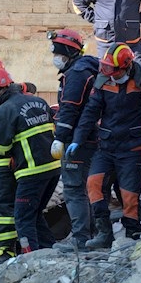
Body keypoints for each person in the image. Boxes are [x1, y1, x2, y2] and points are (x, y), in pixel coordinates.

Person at [69, 42, 141, 247]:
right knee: (93, 183)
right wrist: (78, 138)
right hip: (106, 146)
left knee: (129, 194)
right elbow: (91, 111)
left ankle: (133, 233)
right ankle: (104, 233)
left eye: (113, 69)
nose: (110, 73)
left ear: (127, 66)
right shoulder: (104, 80)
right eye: (106, 68)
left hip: (132, 147)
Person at [0, 68, 61, 253]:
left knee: (22, 218)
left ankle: (30, 258)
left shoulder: (5, 109)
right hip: (53, 168)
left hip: (31, 172)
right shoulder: (39, 101)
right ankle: (50, 251)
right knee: (34, 215)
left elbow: (1, 147)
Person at [47, 29, 100, 253]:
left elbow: (70, 107)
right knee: (88, 188)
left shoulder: (77, 73)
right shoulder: (87, 69)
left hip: (77, 140)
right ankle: (93, 235)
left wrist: (60, 138)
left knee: (73, 189)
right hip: (90, 138)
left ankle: (81, 239)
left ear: (68, 51)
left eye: (57, 52)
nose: (54, 58)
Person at [72, 0, 141, 71]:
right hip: (106, 44)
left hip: (132, 44)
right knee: (105, 76)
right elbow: (77, 2)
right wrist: (96, 20)